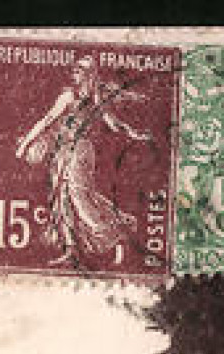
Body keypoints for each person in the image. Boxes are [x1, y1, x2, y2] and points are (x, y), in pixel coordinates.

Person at [14, 54, 154, 268]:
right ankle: (71, 250)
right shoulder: (87, 97)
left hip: (78, 151)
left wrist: (25, 145)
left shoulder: (77, 97)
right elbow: (49, 120)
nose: (74, 75)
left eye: (79, 71)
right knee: (62, 200)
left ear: (87, 75)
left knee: (80, 198)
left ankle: (115, 233)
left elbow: (50, 120)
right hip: (65, 150)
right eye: (74, 71)